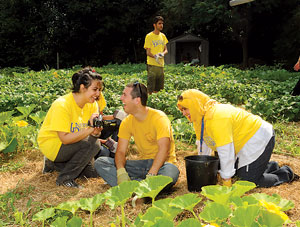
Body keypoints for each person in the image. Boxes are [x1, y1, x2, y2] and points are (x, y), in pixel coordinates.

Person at [177, 89, 297, 188]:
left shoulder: (217, 117)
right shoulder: (200, 117)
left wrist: (226, 180)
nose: (183, 113)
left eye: (185, 108)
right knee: (233, 171)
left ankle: (286, 173)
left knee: (247, 182)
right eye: (181, 110)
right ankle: (269, 166)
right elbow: (204, 144)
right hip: (241, 142)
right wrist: (202, 167)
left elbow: (225, 150)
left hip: (258, 137)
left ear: (195, 104)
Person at [94, 82, 179, 189]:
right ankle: (140, 188)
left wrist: (152, 174)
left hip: (162, 166)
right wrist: (121, 172)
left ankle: (135, 187)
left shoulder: (159, 118)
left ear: (137, 100)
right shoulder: (127, 122)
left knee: (172, 171)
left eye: (125, 95)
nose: (121, 98)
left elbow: (164, 150)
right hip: (142, 165)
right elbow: (120, 151)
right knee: (101, 162)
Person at [38, 68, 106, 188]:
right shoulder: (62, 105)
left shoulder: (92, 104)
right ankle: (64, 179)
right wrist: (90, 129)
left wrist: (95, 132)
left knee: (91, 174)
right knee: (94, 145)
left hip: (75, 142)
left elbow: (93, 135)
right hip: (55, 144)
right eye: (95, 89)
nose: (98, 94)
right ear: (82, 87)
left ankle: (53, 165)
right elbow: (65, 139)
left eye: (99, 90)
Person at [144, 16, 168, 94]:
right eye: (159, 23)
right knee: (150, 88)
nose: (161, 25)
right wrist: (155, 56)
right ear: (154, 25)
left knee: (160, 89)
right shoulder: (149, 36)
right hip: (152, 65)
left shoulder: (163, 36)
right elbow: (148, 52)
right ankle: (150, 103)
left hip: (161, 65)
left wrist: (162, 54)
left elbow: (166, 50)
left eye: (162, 23)